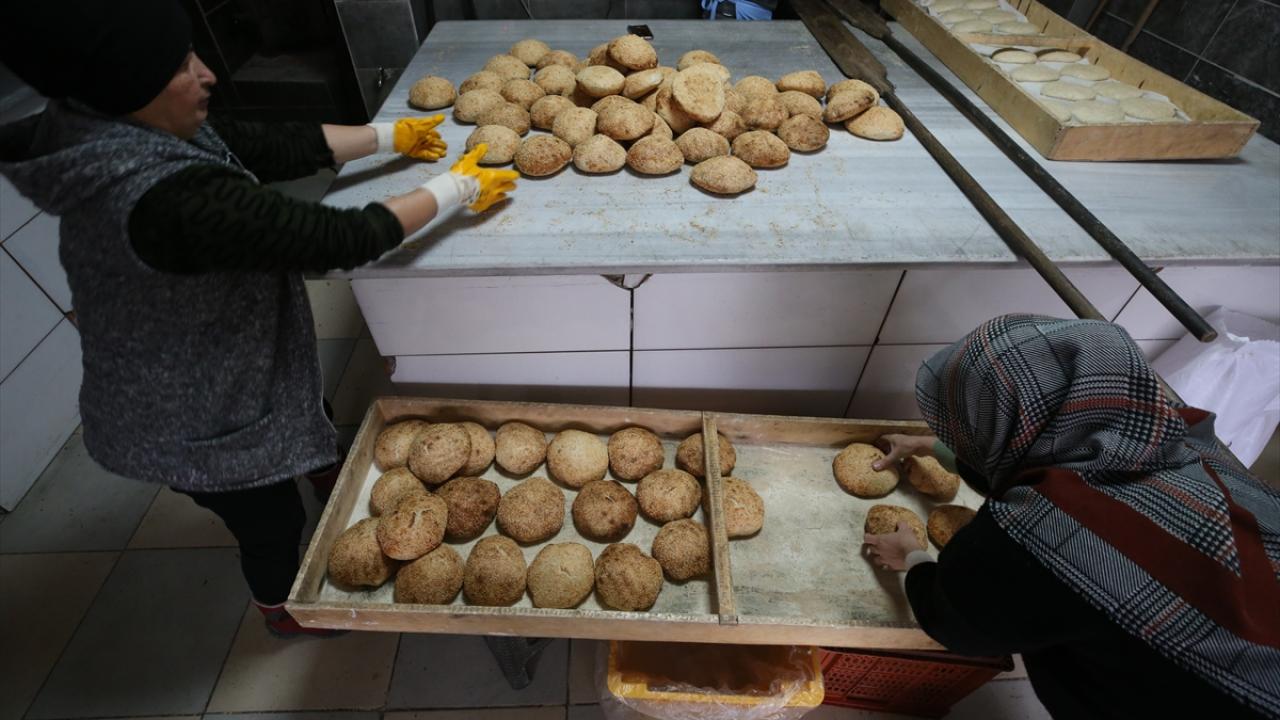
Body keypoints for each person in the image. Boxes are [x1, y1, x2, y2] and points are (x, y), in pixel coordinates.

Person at [0, 1, 517, 637]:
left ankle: (319, 460)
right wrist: (454, 189)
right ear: (127, 87)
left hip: (226, 351)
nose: (208, 73)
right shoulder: (159, 197)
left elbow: (267, 145)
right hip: (191, 416)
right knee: (269, 522)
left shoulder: (133, 122)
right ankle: (281, 609)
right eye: (182, 66)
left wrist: (392, 138)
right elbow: (331, 239)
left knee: (304, 403)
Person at [863, 315, 1280, 718]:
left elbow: (958, 621)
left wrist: (913, 556)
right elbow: (1064, 464)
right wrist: (935, 449)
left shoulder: (1037, 535)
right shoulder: (1191, 446)